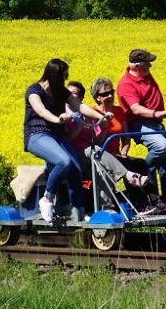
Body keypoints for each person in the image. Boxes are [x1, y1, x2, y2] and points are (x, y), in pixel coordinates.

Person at [23, 58, 108, 222]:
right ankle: (47, 198)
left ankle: (79, 212)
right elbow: (41, 111)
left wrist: (101, 117)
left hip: (58, 136)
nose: (66, 80)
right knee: (63, 161)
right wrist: (58, 119)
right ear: (54, 75)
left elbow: (80, 106)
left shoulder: (60, 91)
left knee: (75, 169)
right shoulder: (34, 91)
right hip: (37, 135)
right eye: (64, 76)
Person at [116, 49, 166, 211]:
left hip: (156, 124)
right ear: (137, 66)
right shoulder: (126, 84)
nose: (150, 66)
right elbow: (135, 109)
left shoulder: (144, 75)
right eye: (147, 63)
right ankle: (142, 170)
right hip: (140, 123)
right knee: (161, 146)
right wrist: (156, 113)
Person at [64, 80, 147, 199]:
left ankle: (112, 206)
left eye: (73, 94)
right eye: (67, 93)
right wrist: (81, 124)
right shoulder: (64, 115)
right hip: (77, 155)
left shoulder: (88, 114)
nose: (110, 96)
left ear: (81, 98)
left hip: (97, 155)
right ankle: (129, 176)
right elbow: (68, 140)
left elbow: (97, 141)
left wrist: (104, 128)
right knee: (95, 151)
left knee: (136, 164)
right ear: (97, 97)